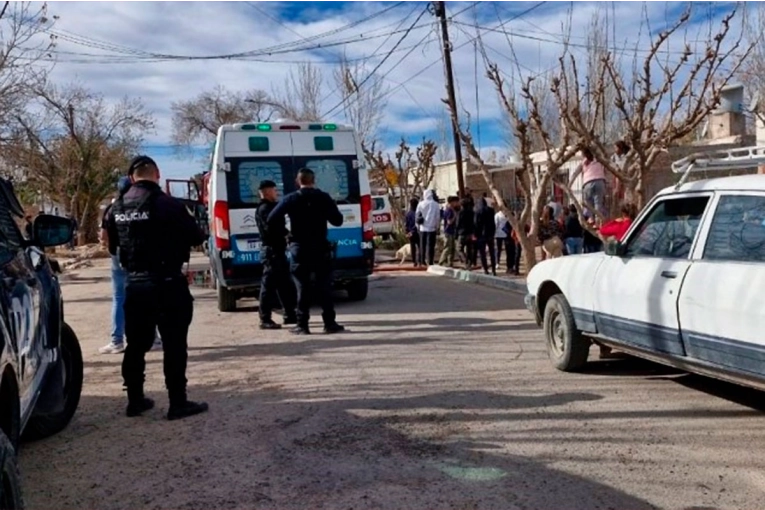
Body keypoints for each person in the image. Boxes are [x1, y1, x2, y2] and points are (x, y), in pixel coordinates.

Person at [105, 155, 208, 420]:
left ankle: (135, 400)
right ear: (157, 174)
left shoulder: (116, 208)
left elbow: (113, 248)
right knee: (174, 344)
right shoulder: (169, 204)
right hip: (168, 282)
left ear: (131, 177)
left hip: (136, 284)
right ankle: (177, 402)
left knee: (136, 344)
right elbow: (197, 236)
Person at [267, 168, 345, 335]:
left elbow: (272, 219)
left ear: (297, 181)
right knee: (324, 286)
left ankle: (302, 325)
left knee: (302, 287)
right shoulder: (323, 197)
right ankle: (329, 323)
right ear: (314, 180)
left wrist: (286, 233)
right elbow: (338, 221)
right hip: (320, 248)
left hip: (300, 249)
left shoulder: (291, 199)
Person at [99, 176, 162, 355]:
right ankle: (154, 338)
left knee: (119, 298)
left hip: (118, 256)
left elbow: (104, 237)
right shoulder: (143, 204)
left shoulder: (112, 208)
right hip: (141, 255)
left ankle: (116, 341)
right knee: (147, 295)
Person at [255, 180, 297, 330]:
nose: (276, 193)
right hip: (271, 252)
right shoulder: (265, 208)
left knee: (285, 284)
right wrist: (287, 234)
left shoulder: (270, 207)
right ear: (266, 192)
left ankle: (290, 314)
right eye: (274, 190)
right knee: (268, 286)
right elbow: (273, 227)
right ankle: (265, 318)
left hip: (278, 251)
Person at [572, 147, 607, 220]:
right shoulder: (598, 159)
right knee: (598, 203)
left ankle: (590, 219)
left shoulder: (583, 162)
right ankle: (598, 220)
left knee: (588, 203)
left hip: (588, 182)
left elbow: (575, 173)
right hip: (600, 181)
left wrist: (570, 184)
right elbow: (604, 169)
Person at [415, 189, 440, 266]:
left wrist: (417, 225)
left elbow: (417, 215)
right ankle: (430, 261)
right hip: (432, 228)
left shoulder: (421, 204)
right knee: (431, 246)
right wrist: (437, 226)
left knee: (422, 245)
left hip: (422, 228)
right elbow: (437, 217)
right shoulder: (435, 204)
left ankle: (422, 261)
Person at [474, 197, 497, 275]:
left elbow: (476, 224)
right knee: (491, 252)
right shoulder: (491, 210)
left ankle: (485, 269)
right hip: (490, 234)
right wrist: (493, 232)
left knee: (482, 253)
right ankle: (494, 269)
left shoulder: (477, 211)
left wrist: (476, 234)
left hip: (481, 235)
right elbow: (493, 223)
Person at [438, 196, 459, 267]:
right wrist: (455, 216)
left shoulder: (451, 209)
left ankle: (450, 262)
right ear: (452, 202)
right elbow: (449, 222)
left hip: (452, 231)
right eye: (456, 202)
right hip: (448, 231)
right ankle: (441, 261)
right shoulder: (449, 210)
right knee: (447, 247)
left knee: (452, 248)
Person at [456, 196, 476, 270]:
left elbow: (457, 224)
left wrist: (456, 233)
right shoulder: (472, 212)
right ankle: (470, 263)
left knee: (459, 249)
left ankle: (466, 262)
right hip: (470, 232)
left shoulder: (460, 213)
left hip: (462, 233)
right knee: (469, 249)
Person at [404, 198, 421, 267]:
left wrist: (407, 232)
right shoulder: (418, 213)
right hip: (417, 232)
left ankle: (414, 261)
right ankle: (420, 260)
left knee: (413, 247)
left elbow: (406, 224)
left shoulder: (408, 214)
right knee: (420, 247)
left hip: (410, 233)